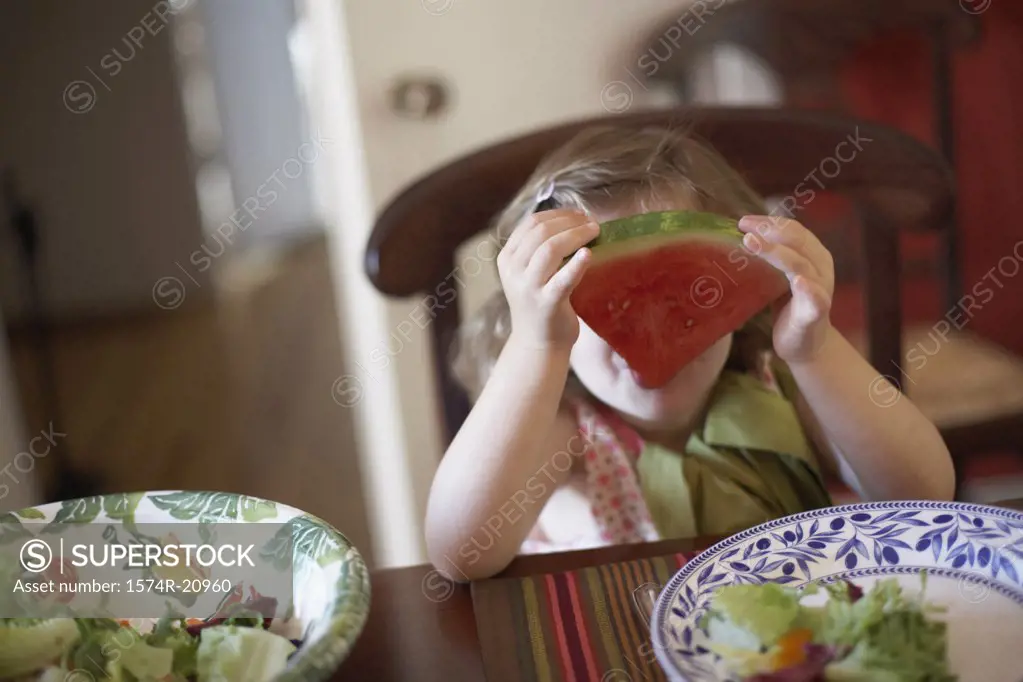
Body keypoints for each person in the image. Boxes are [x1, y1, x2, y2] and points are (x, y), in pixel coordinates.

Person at [425, 124, 954, 581]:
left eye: (688, 298)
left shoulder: (780, 386)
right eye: (614, 304)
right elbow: (458, 552)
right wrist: (536, 347)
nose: (653, 329)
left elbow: (924, 496)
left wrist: (815, 351)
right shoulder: (566, 436)